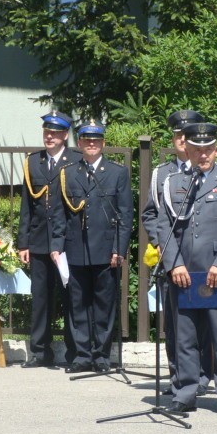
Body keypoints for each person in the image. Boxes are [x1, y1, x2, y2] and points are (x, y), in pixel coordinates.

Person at [158, 122, 217, 417]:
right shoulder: (172, 182)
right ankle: (185, 392)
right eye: (197, 149)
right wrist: (174, 263)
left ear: (216, 150)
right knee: (184, 336)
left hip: (214, 272)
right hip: (183, 272)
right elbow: (163, 226)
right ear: (188, 150)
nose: (203, 154)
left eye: (208, 149)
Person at [50, 120, 133, 373]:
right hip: (75, 249)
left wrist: (119, 249)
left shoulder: (117, 172)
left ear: (103, 143)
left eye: (96, 140)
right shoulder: (68, 172)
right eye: (86, 140)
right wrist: (56, 244)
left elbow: (125, 213)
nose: (91, 144)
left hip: (107, 250)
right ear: (80, 144)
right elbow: (59, 213)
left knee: (104, 305)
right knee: (77, 304)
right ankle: (82, 355)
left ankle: (101, 356)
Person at [141, 109, 213, 397]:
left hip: (203, 257)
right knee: (174, 322)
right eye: (178, 135)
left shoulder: (210, 169)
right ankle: (178, 376)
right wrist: (161, 245)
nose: (182, 140)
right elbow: (150, 214)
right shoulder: (162, 173)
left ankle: (203, 375)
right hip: (172, 258)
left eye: (187, 134)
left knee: (205, 320)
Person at [17, 111, 80, 368]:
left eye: (54, 133)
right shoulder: (33, 162)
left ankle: (74, 354)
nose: (49, 136)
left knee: (70, 298)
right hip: (40, 239)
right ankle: (40, 352)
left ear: (65, 135)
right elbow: (26, 205)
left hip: (66, 241)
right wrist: (24, 242)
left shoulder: (75, 160)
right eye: (46, 132)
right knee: (41, 298)